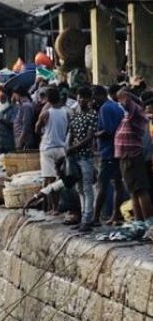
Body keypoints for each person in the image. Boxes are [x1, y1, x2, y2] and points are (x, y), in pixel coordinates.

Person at [115, 88, 153, 220]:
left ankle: (147, 223)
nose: (120, 101)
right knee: (134, 192)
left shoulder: (135, 111)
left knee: (141, 191)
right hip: (128, 156)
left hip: (132, 156)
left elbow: (122, 95)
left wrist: (127, 93)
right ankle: (139, 222)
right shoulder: (133, 112)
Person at [66, 87, 97, 231]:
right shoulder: (74, 116)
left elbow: (89, 138)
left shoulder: (92, 115)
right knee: (80, 188)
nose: (81, 100)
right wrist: (68, 149)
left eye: (85, 98)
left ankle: (87, 218)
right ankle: (85, 217)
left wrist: (72, 148)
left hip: (85, 156)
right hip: (75, 156)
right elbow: (71, 134)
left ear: (90, 100)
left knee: (87, 187)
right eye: (80, 97)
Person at [93, 85, 125, 226]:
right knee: (118, 184)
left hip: (108, 152)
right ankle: (115, 215)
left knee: (102, 185)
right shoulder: (116, 106)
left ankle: (95, 218)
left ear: (99, 95)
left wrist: (95, 134)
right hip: (118, 151)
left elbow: (109, 130)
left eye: (93, 97)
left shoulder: (105, 108)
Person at [35, 87, 69, 214]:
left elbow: (37, 128)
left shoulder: (46, 113)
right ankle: (53, 206)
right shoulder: (66, 112)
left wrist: (43, 131)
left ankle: (53, 207)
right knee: (59, 180)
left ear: (48, 99)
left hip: (47, 148)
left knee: (50, 180)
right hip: (61, 148)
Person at [13, 86, 38, 150]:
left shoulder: (26, 106)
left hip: (25, 142)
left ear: (18, 94)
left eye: (14, 94)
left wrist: (20, 141)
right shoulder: (22, 105)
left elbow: (26, 125)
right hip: (22, 140)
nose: (13, 96)